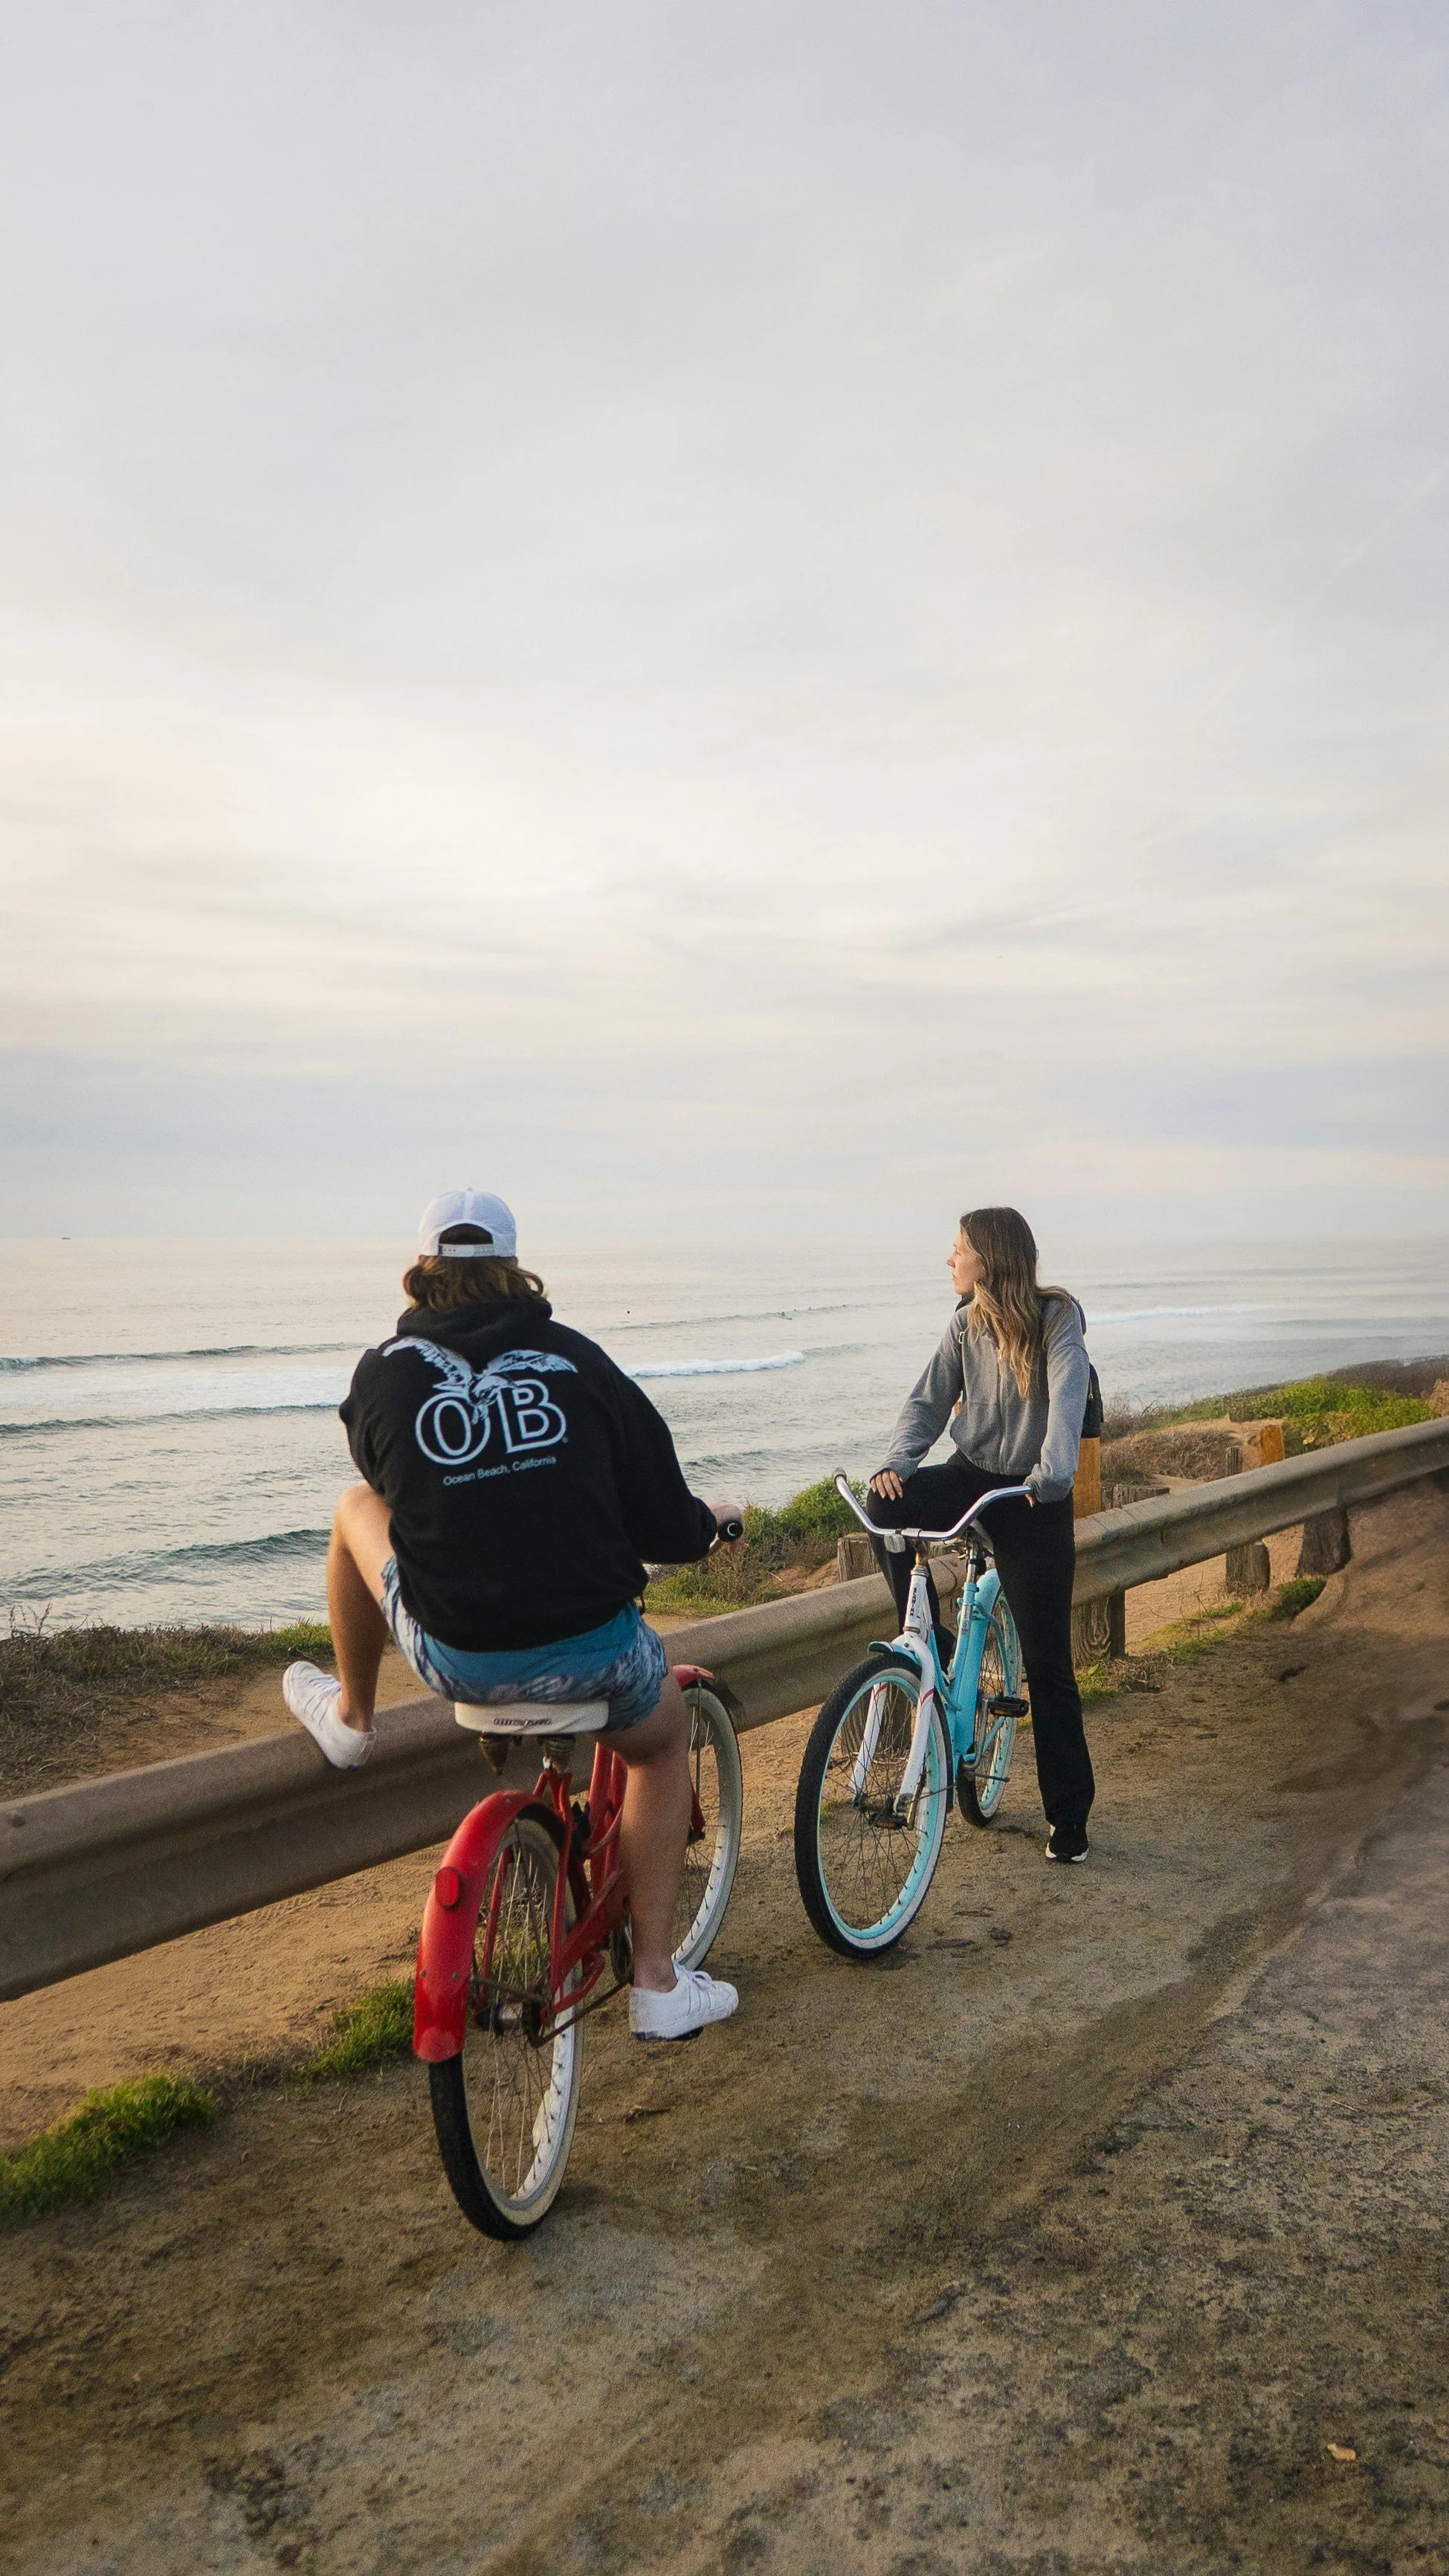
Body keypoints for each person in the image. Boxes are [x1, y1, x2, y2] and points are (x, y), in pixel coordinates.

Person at [283, 1188, 743, 2041]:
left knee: (354, 1505)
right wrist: (705, 1521)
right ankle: (654, 1980)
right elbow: (660, 1517)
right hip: (595, 1651)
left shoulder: (381, 1373)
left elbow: (392, 1485)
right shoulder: (578, 1361)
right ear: (512, 1265)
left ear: (422, 1269)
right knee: (662, 1742)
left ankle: (351, 1715)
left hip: (458, 1656)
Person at [867, 1205, 1097, 1863]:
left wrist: (1049, 1478)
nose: (949, 1259)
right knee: (884, 1512)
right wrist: (895, 1463)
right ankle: (933, 1642)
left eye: (958, 1248)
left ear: (987, 1260)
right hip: (971, 1475)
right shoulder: (963, 1325)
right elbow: (927, 1402)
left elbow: (1068, 1393)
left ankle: (1068, 1818)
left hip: (1029, 1497)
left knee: (1048, 1665)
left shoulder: (1057, 1319)